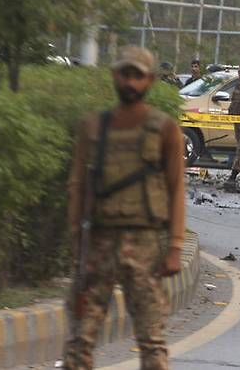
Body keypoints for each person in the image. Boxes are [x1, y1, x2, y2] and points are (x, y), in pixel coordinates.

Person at [63, 46, 185, 369]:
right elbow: (76, 187)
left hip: (145, 246)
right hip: (98, 244)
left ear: (150, 81)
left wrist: (174, 247)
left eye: (137, 76)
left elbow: (176, 190)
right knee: (79, 341)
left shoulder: (165, 129)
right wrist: (77, 244)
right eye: (124, 74)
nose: (130, 82)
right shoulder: (91, 128)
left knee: (151, 341)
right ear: (115, 76)